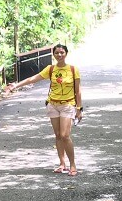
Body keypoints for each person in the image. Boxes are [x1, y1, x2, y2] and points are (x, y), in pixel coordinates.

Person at [5, 44, 83, 176]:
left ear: (66, 53)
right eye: (57, 53)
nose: (59, 55)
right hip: (53, 105)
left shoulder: (73, 69)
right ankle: (62, 164)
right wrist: (15, 86)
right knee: (58, 135)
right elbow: (33, 79)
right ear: (53, 54)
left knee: (65, 135)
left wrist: (79, 108)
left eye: (62, 52)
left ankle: (73, 164)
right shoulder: (50, 69)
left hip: (68, 104)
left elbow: (78, 90)